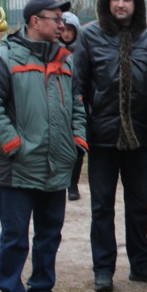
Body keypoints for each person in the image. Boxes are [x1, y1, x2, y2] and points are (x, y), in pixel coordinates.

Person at [0, 0, 87, 292]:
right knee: (15, 239)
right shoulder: (2, 60)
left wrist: (77, 142)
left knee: (49, 235)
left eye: (63, 19)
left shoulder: (67, 61)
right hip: (18, 168)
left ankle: (41, 291)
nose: (62, 25)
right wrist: (14, 145)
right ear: (35, 21)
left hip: (56, 166)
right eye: (56, 19)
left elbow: (78, 105)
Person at [73, 0, 147, 292]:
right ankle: (103, 268)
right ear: (107, 2)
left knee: (139, 205)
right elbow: (77, 86)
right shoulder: (89, 36)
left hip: (141, 135)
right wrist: (79, 126)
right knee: (102, 206)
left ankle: (141, 264)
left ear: (136, 3)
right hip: (102, 137)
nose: (121, 4)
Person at [60, 11, 84, 201]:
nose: (66, 34)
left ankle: (73, 184)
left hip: (79, 103)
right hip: (58, 104)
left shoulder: (82, 53)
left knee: (78, 147)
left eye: (71, 30)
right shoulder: (53, 52)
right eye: (64, 30)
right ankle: (62, 181)